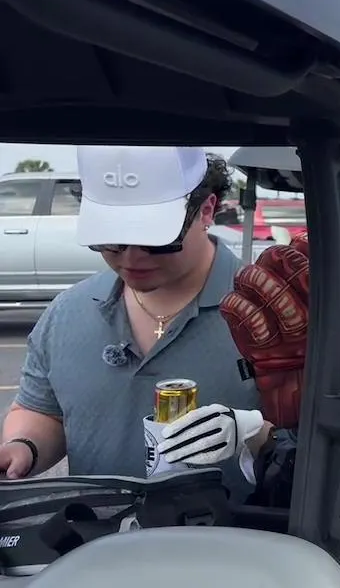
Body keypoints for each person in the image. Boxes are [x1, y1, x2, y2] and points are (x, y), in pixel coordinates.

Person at [0, 146, 268, 502]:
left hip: (234, 535)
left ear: (207, 209)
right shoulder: (67, 312)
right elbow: (43, 412)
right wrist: (23, 446)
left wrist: (256, 435)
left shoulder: (268, 313)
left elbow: (312, 442)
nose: (131, 257)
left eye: (155, 240)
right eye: (112, 240)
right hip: (96, 532)